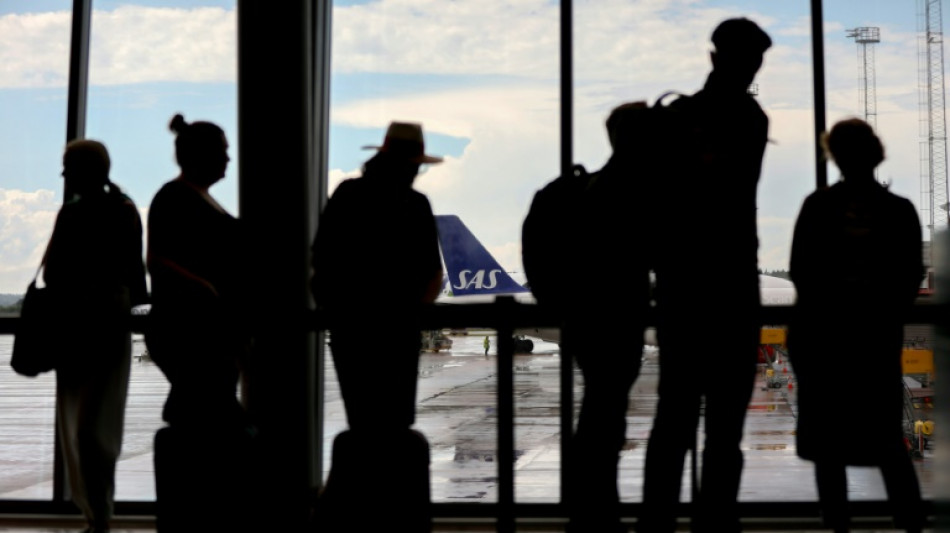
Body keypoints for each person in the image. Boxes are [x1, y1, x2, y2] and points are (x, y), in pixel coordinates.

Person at [639, 17, 772, 533]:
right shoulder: (752, 119)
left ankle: (656, 525)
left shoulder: (674, 119)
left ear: (712, 58)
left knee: (672, 422)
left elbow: (657, 200)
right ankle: (715, 525)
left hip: (683, 287)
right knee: (724, 433)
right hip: (734, 287)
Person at [788, 118, 925, 533]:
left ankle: (838, 529)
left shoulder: (817, 207)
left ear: (834, 155)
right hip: (875, 346)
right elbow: (908, 278)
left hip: (823, 346)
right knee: (888, 447)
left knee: (829, 456)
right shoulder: (899, 211)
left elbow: (802, 274)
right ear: (876, 152)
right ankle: (912, 526)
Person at [310, 121, 444, 532]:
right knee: (396, 431)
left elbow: (322, 264)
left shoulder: (347, 196)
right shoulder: (416, 204)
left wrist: (340, 311)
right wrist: (410, 314)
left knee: (363, 429)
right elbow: (432, 276)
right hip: (397, 333)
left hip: (352, 333)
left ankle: (347, 516)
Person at [145, 114, 257, 532]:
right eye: (223, 151)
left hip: (205, 331)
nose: (229, 158)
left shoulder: (188, 197)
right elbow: (156, 259)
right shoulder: (175, 197)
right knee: (217, 425)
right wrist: (205, 289)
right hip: (193, 332)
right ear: (203, 155)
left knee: (205, 420)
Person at [559, 101, 657, 533]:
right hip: (619, 321)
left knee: (600, 412)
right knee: (605, 416)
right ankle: (598, 517)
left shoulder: (576, 190)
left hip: (586, 320)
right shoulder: (643, 196)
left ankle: (592, 514)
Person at [42, 139, 148, 533]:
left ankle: (95, 513)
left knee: (77, 426)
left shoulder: (70, 215)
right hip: (110, 327)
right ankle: (99, 512)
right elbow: (137, 279)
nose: (64, 175)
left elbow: (53, 275)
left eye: (68, 167)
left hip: (74, 330)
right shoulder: (124, 211)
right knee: (97, 426)